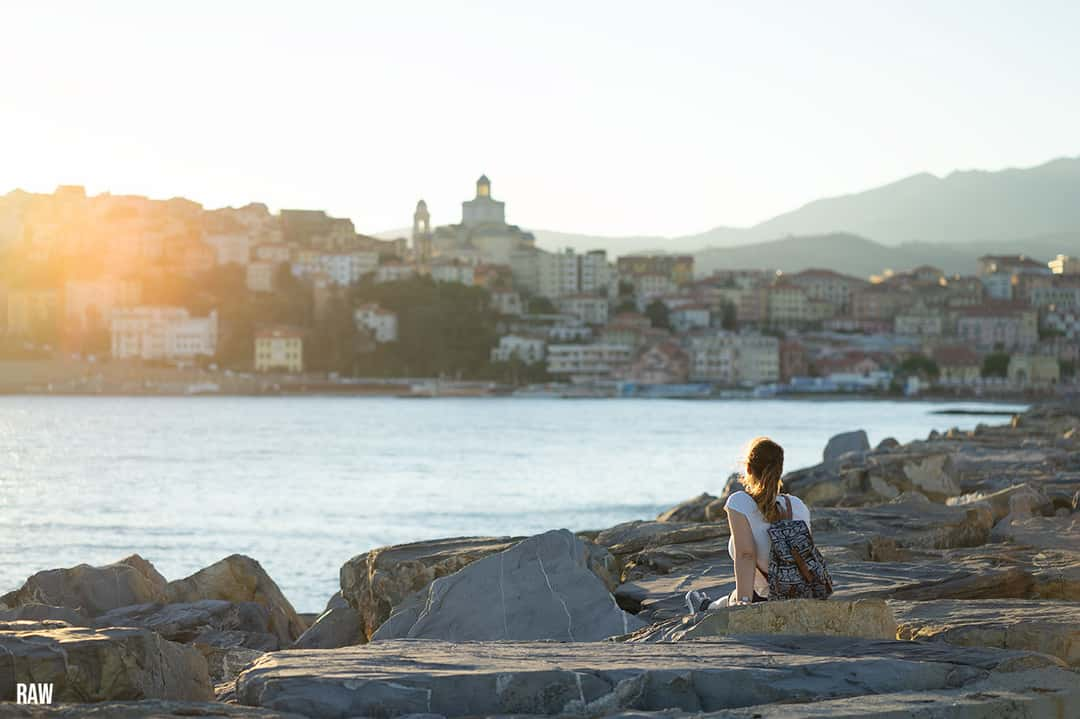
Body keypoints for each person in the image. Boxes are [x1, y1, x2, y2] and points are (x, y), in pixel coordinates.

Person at [686, 437, 811, 612]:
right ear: (780, 470)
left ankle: (705, 608)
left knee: (736, 598)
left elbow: (746, 554)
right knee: (736, 595)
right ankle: (710, 604)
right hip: (801, 594)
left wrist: (744, 603)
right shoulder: (797, 505)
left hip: (765, 598)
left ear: (748, 469)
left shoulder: (740, 502)